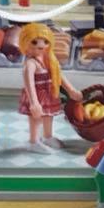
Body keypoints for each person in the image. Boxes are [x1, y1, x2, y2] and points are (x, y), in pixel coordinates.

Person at [17, 22, 82, 154]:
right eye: (34, 42)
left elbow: (59, 76)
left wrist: (70, 90)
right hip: (36, 95)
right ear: (25, 45)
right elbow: (29, 84)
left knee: (48, 116)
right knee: (35, 118)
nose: (41, 45)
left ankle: (47, 136)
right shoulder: (30, 63)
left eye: (45, 42)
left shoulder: (49, 60)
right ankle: (33, 141)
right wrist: (34, 102)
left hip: (48, 94)